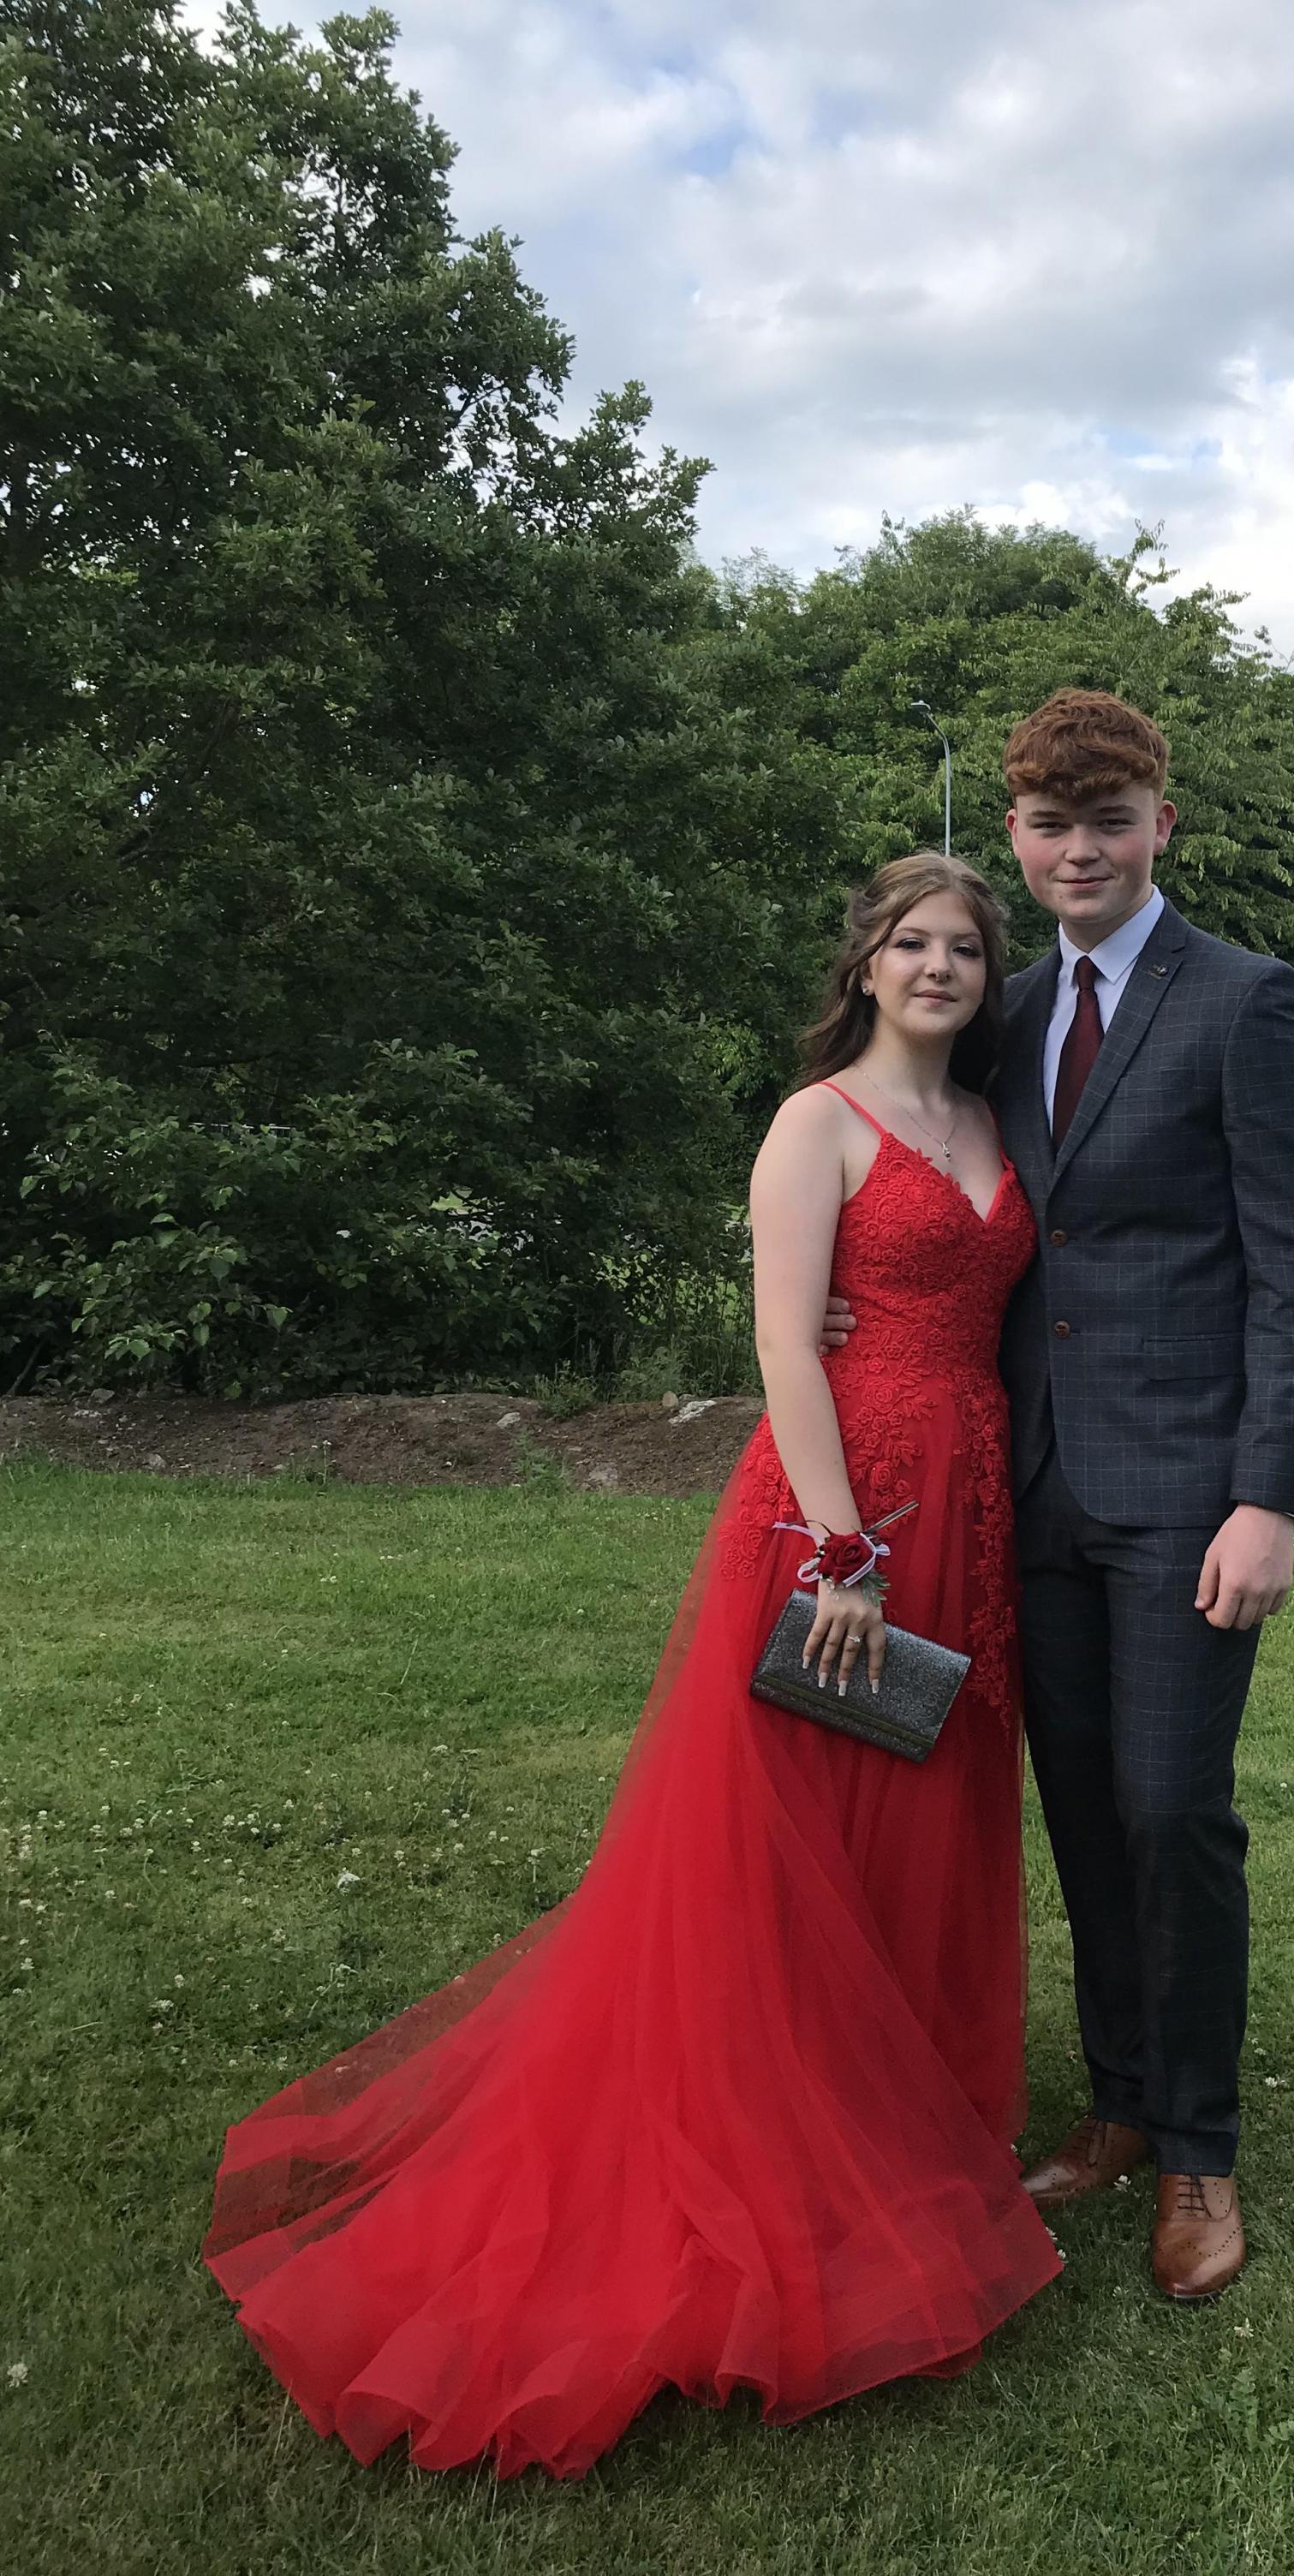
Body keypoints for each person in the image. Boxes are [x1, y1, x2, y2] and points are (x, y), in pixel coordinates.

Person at [204, 853, 1059, 2478]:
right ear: (864, 964)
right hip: (844, 1511)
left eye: (962, 945)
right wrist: (842, 1551)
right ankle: (774, 2146)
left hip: (970, 1503)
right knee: (793, 1838)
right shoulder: (819, 1123)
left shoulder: (996, 1129)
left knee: (927, 1816)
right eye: (910, 942)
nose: (937, 965)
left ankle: (913, 2126)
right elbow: (782, 1341)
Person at [994, 688, 1294, 2300]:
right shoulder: (996, 1011)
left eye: (1109, 819)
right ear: (1017, 837)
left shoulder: (1243, 1004)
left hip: (1192, 1498)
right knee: (1077, 1808)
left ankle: (1199, 2154)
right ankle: (1122, 2102)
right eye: (1053, 825)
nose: (1081, 848)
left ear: (1160, 825)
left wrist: (1269, 1497)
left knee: (1171, 1812)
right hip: (1037, 1488)